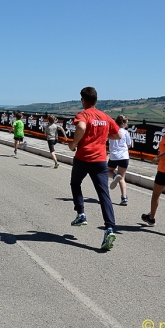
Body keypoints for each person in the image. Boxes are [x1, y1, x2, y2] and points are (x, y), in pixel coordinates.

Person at [67, 87, 122, 251]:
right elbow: (118, 135)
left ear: (83, 100)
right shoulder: (105, 117)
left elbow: (82, 127)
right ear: (96, 100)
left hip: (83, 158)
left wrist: (74, 144)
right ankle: (110, 228)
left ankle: (81, 214)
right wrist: (103, 137)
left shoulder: (83, 114)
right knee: (104, 194)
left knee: (75, 183)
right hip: (100, 161)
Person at [108, 115, 133, 206]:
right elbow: (129, 144)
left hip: (114, 156)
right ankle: (124, 197)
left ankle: (114, 177)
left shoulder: (112, 131)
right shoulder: (126, 132)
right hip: (124, 156)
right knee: (122, 178)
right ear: (123, 123)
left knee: (107, 170)